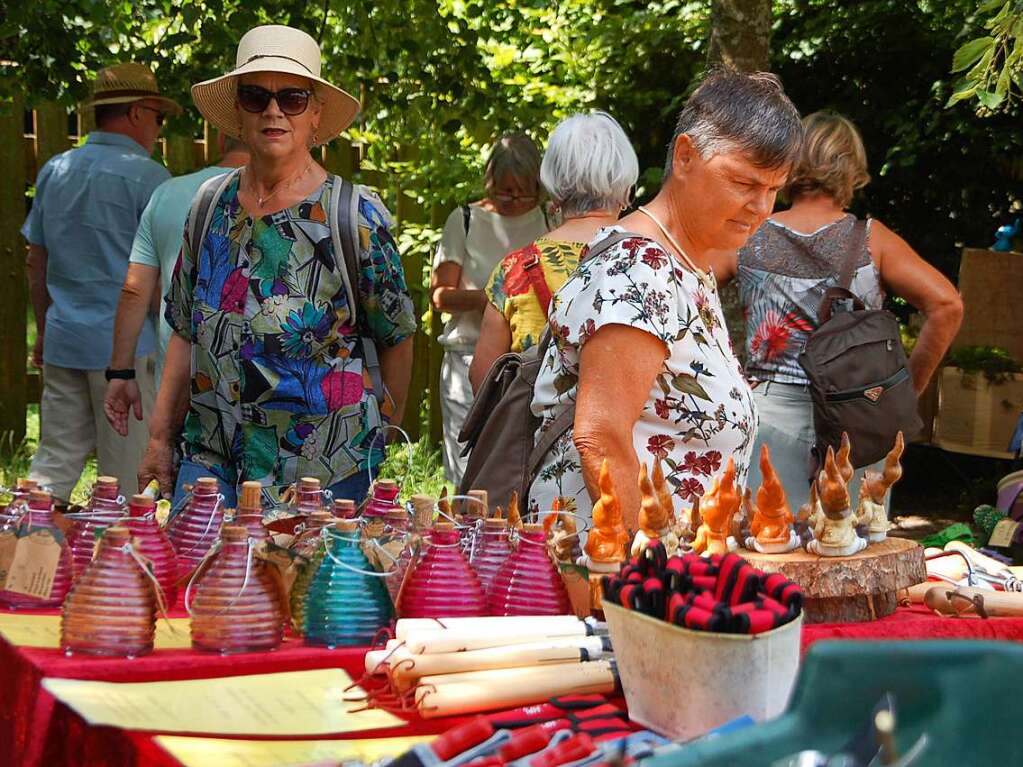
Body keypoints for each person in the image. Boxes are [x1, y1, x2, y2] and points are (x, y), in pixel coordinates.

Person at [138, 24, 417, 507]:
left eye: (291, 98)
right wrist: (161, 440)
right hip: (211, 463)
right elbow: (185, 331)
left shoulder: (353, 216)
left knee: (308, 587)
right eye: (255, 97)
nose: (273, 111)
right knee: (199, 582)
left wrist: (379, 438)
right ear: (238, 114)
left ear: (315, 113)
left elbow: (396, 337)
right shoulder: (209, 207)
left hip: (323, 473)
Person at [529, 71, 803, 530]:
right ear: (685, 157)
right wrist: (654, 575)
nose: (761, 206)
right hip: (611, 581)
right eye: (744, 182)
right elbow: (601, 439)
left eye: (773, 189)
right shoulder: (641, 267)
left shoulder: (686, 265)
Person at [726, 111, 963, 510]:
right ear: (852, 170)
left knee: (767, 558)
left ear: (789, 164)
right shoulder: (873, 241)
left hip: (768, 419)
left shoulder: (749, 234)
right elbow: (947, 304)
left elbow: (688, 284)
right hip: (858, 421)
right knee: (852, 560)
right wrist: (901, 393)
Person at [23, 62, 179, 503]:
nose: (157, 127)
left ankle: (25, 559)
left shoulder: (56, 170)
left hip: (64, 338)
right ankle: (117, 568)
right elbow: (160, 281)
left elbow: (37, 261)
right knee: (126, 477)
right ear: (136, 113)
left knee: (52, 464)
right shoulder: (149, 178)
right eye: (157, 116)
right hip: (126, 353)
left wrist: (42, 330)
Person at [469, 112, 639, 393]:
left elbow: (482, 379)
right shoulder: (651, 263)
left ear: (553, 188)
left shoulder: (514, 271)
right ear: (625, 188)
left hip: (535, 434)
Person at [104, 135, 251, 438]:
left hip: (179, 392)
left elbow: (135, 290)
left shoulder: (167, 193)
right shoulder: (287, 196)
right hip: (267, 392)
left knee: (189, 485)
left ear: (221, 138)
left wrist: (120, 371)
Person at [431, 134, 549, 483]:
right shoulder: (464, 220)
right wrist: (491, 300)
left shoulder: (547, 220)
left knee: (518, 470)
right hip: (467, 357)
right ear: (489, 180)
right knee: (466, 472)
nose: (513, 199)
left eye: (523, 191)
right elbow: (439, 296)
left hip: (529, 367)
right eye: (504, 190)